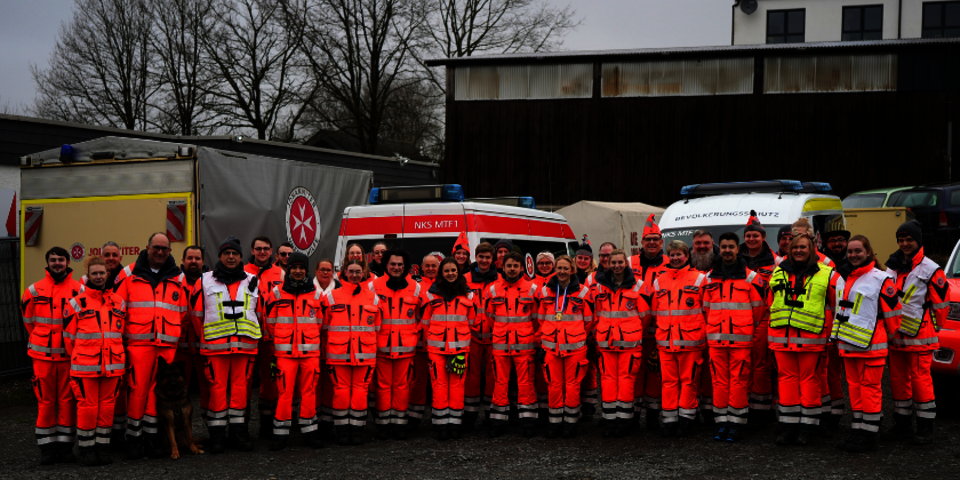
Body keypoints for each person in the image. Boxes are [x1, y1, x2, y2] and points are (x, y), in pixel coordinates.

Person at [114, 233, 190, 459]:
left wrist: (172, 332)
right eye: (156, 248)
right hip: (139, 344)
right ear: (147, 247)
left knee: (159, 393)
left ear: (170, 252)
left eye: (165, 249)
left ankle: (154, 437)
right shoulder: (128, 274)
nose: (160, 252)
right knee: (138, 392)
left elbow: (183, 313)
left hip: (166, 345)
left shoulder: (178, 277)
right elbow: (118, 310)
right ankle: (135, 440)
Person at [768, 232, 843, 446]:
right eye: (794, 247)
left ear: (812, 250)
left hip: (813, 340)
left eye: (803, 247)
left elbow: (838, 308)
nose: (798, 251)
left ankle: (808, 428)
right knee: (787, 381)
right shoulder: (778, 273)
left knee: (810, 381)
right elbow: (770, 302)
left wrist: (830, 335)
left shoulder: (830, 275)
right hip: (782, 339)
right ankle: (788, 427)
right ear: (789, 250)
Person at [831, 235, 902, 453]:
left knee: (870, 390)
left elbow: (895, 314)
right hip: (848, 345)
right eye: (850, 252)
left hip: (872, 347)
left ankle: (869, 436)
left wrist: (886, 336)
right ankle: (858, 430)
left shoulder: (881, 279)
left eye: (857, 251)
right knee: (854, 389)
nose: (853, 255)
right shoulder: (843, 278)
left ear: (868, 252)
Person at [191, 236, 261, 453]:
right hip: (215, 348)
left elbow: (260, 312)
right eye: (227, 253)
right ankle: (217, 437)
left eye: (235, 254)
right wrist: (205, 339)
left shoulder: (252, 280)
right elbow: (196, 315)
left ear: (241, 257)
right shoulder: (203, 280)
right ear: (220, 256)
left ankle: (239, 434)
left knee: (240, 390)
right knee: (217, 390)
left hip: (245, 347)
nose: (231, 257)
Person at [882, 220, 949, 445]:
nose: (904, 244)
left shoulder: (931, 269)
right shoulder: (893, 266)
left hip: (920, 338)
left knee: (921, 381)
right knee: (898, 381)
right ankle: (902, 425)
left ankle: (925, 428)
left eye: (909, 239)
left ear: (918, 241)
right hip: (896, 336)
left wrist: (932, 328)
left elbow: (941, 307)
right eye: (901, 240)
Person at [22, 246, 84, 464]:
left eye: (61, 259)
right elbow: (28, 322)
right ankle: (47, 449)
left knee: (67, 401)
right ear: (47, 262)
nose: (57, 263)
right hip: (42, 358)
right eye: (53, 259)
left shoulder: (79, 290)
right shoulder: (34, 291)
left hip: (68, 357)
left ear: (68, 262)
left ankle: (66, 448)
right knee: (45, 402)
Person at [63, 256, 126, 466]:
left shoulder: (118, 302)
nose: (98, 277)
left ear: (107, 274)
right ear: (87, 276)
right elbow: (69, 338)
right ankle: (87, 449)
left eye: (102, 273)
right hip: (85, 367)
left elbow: (120, 333)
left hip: (113, 367)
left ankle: (103, 447)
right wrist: (84, 357)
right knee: (88, 408)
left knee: (107, 407)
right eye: (94, 273)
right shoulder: (76, 303)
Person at [702, 233, 766, 442]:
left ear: (738, 249)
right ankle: (721, 423)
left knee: (738, 382)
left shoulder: (751, 278)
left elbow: (759, 310)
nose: (727, 250)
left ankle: (736, 424)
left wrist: (744, 327)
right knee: (719, 382)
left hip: (740, 340)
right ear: (718, 249)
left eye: (731, 247)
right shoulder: (710, 277)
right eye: (724, 247)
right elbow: (706, 308)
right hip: (716, 340)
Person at [321, 259, 384, 445]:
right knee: (340, 392)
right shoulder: (331, 297)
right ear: (344, 273)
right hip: (338, 355)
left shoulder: (373, 298)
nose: (355, 275)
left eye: (359, 271)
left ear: (364, 272)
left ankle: (356, 430)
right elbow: (324, 326)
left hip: (364, 356)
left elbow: (377, 327)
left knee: (360, 392)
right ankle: (342, 430)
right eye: (352, 271)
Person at [264, 252, 323, 451]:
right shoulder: (277, 293)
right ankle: (280, 435)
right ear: (288, 268)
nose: (298, 271)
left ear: (307, 270)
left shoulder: (316, 294)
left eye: (301, 268)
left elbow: (321, 322)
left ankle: (310, 433)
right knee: (284, 394)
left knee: (308, 393)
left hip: (310, 354)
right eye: (294, 267)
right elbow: (269, 322)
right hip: (285, 354)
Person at [591, 249, 650, 437]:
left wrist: (630, 331)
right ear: (607, 264)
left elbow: (645, 316)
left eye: (620, 262)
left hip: (629, 344)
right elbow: (597, 314)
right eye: (613, 262)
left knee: (626, 381)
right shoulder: (600, 287)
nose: (616, 266)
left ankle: (624, 421)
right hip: (606, 344)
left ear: (626, 263)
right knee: (607, 382)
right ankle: (610, 420)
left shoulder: (638, 286)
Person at [652, 240, 707, 438]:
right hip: (666, 342)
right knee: (668, 381)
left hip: (691, 341)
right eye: (672, 255)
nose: (675, 258)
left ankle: (687, 418)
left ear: (687, 255)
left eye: (679, 254)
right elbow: (654, 310)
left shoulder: (700, 279)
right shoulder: (659, 280)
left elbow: (707, 310)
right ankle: (669, 419)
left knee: (689, 381)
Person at [536, 255, 593, 438]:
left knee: (573, 385)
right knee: (554, 385)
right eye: (559, 268)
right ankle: (555, 423)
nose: (562, 271)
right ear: (555, 270)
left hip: (575, 348)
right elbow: (541, 319)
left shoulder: (583, 292)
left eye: (565, 268)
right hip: (551, 347)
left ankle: (570, 423)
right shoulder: (545, 292)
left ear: (572, 270)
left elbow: (589, 321)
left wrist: (574, 335)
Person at [367, 248, 422, 439]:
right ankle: (383, 425)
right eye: (393, 264)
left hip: (406, 347)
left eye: (400, 264)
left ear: (405, 266)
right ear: (386, 265)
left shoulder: (415, 287)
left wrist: (415, 333)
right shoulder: (373, 286)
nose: (396, 267)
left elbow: (422, 316)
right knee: (383, 386)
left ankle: (399, 424)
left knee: (401, 386)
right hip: (381, 347)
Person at [483, 252, 539, 438]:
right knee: (500, 384)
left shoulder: (532, 289)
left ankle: (528, 423)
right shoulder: (492, 289)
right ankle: (498, 422)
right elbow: (489, 316)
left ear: (522, 268)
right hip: (501, 345)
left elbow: (536, 318)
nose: (512, 269)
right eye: (509, 266)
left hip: (524, 345)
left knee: (526, 384)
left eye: (516, 266)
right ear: (502, 267)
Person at [421, 257, 476, 440]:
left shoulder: (468, 295)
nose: (450, 274)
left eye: (453, 270)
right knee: (439, 385)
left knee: (457, 386)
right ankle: (441, 424)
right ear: (441, 273)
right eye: (447, 271)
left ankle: (454, 424)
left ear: (458, 273)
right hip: (436, 350)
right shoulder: (431, 295)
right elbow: (426, 323)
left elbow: (471, 321)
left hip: (459, 350)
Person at [627, 214, 668, 430]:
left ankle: (652, 415)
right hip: (632, 329)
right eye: (648, 239)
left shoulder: (671, 264)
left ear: (662, 243)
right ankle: (632, 414)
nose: (652, 243)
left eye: (656, 239)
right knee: (634, 372)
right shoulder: (628, 262)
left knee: (655, 372)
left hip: (658, 330)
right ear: (641, 243)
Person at [738, 212, 778, 424]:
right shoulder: (736, 259)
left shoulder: (775, 261)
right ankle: (744, 404)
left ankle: (762, 408)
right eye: (748, 236)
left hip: (765, 317)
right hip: (741, 317)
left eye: (756, 235)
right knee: (743, 363)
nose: (752, 239)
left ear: (763, 237)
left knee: (762, 363)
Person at [243, 236, 284, 439]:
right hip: (248, 335)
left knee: (269, 381)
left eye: (265, 249)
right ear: (252, 250)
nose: (262, 252)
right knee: (245, 380)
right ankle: (242, 425)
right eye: (258, 248)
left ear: (271, 251)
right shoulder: (242, 273)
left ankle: (267, 424)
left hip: (270, 338)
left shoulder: (281, 273)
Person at [463, 242, 500, 428]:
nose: (484, 261)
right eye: (481, 257)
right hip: (472, 336)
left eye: (487, 257)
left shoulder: (500, 279)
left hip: (494, 337)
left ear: (492, 259)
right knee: (471, 375)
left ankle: (490, 413)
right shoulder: (465, 279)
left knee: (493, 376)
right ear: (475, 258)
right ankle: (469, 414)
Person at [177, 245, 209, 427]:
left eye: (197, 258)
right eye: (190, 258)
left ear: (203, 262)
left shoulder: (210, 282)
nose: (193, 262)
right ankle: (180, 429)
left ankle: (211, 426)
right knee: (179, 389)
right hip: (180, 347)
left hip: (204, 344)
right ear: (183, 260)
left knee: (208, 388)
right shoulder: (174, 281)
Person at [410, 253, 442, 428]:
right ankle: (415, 416)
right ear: (421, 268)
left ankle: (439, 414)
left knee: (439, 380)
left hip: (439, 343)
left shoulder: (444, 285)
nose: (430, 269)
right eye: (427, 266)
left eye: (434, 266)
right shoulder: (416, 287)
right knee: (418, 380)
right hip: (420, 341)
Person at [311, 258, 340, 435]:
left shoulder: (339, 290)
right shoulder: (309, 289)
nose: (325, 273)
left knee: (330, 383)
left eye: (328, 270)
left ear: (333, 272)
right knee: (312, 384)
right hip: (312, 343)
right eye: (322, 269)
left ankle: (328, 421)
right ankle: (312, 418)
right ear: (316, 270)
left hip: (334, 344)